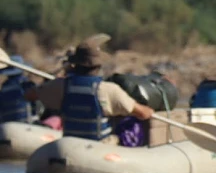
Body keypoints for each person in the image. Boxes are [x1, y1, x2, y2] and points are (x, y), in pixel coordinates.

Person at [24, 41, 154, 144]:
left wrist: (65, 71)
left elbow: (29, 95)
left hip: (70, 144)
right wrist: (150, 111)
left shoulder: (60, 85)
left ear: (75, 64)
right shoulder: (109, 90)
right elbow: (143, 113)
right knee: (129, 129)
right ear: (98, 66)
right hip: (98, 145)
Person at [0, 56, 40, 124]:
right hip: (26, 124)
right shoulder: (27, 85)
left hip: (7, 125)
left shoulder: (4, 87)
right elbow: (38, 105)